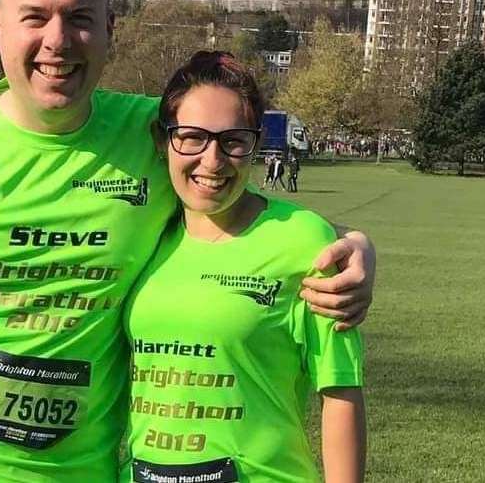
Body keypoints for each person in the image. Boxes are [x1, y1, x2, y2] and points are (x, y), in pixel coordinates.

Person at [0, 0, 376, 483]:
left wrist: (350, 244)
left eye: (79, 18)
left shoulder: (153, 137)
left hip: (83, 472)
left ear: (110, 31)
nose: (58, 41)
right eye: (35, 17)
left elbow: (241, 198)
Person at [123, 51, 365, 482]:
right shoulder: (143, 235)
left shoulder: (305, 242)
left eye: (232, 140)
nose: (212, 161)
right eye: (192, 137)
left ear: (254, 142)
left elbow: (341, 390)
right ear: (164, 141)